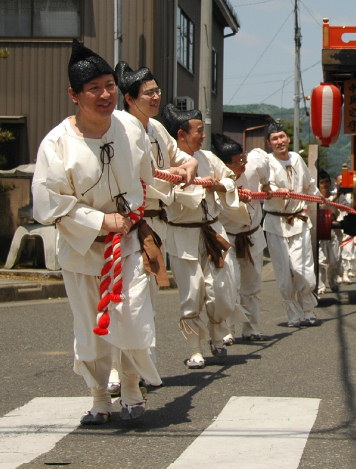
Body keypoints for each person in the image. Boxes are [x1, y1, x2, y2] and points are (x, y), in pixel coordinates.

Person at [32, 40, 160, 424]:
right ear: (74, 95)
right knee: (93, 327)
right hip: (83, 249)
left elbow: (146, 176)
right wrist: (100, 221)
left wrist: (136, 212)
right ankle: (100, 396)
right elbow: (47, 204)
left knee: (135, 316)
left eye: (109, 86)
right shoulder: (56, 144)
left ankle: (133, 388)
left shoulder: (130, 128)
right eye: (94, 89)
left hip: (130, 244)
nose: (105, 95)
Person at [107, 61, 198, 396]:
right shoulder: (116, 126)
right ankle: (118, 371)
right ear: (130, 98)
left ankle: (143, 367)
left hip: (157, 222)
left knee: (146, 301)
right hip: (129, 221)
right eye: (149, 92)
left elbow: (180, 157)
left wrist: (190, 163)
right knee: (123, 300)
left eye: (158, 90)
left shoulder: (156, 129)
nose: (157, 96)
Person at [162, 104, 244, 369]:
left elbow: (230, 180)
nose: (203, 136)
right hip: (182, 233)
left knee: (221, 289)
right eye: (198, 131)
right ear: (181, 134)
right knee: (191, 292)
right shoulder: (167, 163)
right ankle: (194, 348)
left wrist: (217, 183)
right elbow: (165, 195)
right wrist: (194, 185)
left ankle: (218, 336)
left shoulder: (208, 157)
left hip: (213, 230)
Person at [212, 134, 271, 342]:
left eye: (242, 159)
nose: (242, 166)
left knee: (253, 285)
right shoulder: (216, 178)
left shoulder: (254, 165)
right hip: (228, 236)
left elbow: (263, 160)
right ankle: (227, 330)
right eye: (237, 163)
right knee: (230, 285)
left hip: (252, 233)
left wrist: (266, 185)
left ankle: (252, 328)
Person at [262, 121, 320, 327]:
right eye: (275, 139)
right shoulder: (266, 162)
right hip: (275, 223)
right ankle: (293, 313)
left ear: (288, 139)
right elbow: (262, 183)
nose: (279, 142)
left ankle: (308, 308)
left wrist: (320, 200)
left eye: (282, 137)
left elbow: (309, 186)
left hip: (298, 220)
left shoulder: (296, 158)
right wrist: (272, 188)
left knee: (304, 271)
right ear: (269, 143)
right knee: (284, 274)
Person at [316, 169, 342, 294]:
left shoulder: (336, 197)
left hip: (332, 233)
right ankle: (321, 286)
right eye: (322, 182)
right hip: (318, 234)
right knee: (321, 261)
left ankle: (332, 282)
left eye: (327, 181)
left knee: (335, 261)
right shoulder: (314, 198)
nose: (325, 184)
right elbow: (320, 206)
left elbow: (346, 209)